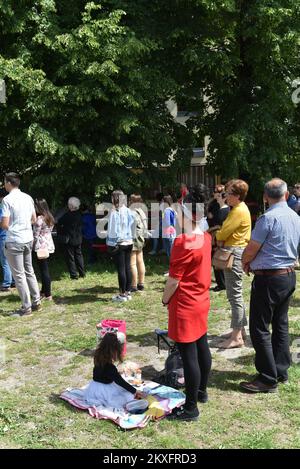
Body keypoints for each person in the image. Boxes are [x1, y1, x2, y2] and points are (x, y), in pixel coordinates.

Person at [240, 178, 300, 393]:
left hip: (269, 278)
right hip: (288, 275)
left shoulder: (268, 218)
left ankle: (267, 378)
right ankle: (280, 371)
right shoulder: (295, 216)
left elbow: (252, 248)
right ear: (285, 195)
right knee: (281, 324)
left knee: (260, 327)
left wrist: (245, 262)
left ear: (266, 197)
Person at [162, 185, 212, 422]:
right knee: (202, 346)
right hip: (201, 300)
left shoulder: (183, 242)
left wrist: (164, 298)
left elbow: (173, 280)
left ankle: (190, 407)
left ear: (187, 214)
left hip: (185, 303)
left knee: (189, 354)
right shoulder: (206, 237)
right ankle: (201, 392)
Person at [215, 180, 251, 349]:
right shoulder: (239, 208)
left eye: (228, 193)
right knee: (236, 294)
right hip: (236, 252)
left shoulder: (238, 211)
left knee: (234, 295)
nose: (225, 196)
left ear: (237, 196)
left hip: (234, 253)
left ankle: (237, 337)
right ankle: (240, 331)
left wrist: (218, 236)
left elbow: (222, 233)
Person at [0, 172, 41, 316]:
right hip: (28, 238)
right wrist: (23, 225)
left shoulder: (7, 200)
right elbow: (34, 219)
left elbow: (5, 224)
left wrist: (13, 226)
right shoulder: (28, 197)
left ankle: (26, 307)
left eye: (4, 182)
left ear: (9, 183)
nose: (4, 185)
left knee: (19, 275)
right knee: (29, 271)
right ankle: (37, 302)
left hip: (14, 240)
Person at [83, 333, 144, 408]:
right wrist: (134, 391)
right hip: (104, 390)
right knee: (125, 397)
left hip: (94, 386)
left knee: (123, 392)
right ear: (114, 350)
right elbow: (120, 381)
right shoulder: (110, 367)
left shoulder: (98, 355)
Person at [106, 190, 134, 302]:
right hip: (129, 242)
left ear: (114, 198)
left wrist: (111, 243)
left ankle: (122, 295)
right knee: (128, 267)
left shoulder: (113, 211)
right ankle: (128, 292)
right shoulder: (127, 210)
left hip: (119, 243)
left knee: (121, 269)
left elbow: (112, 230)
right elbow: (131, 224)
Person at [207, 185, 230, 292]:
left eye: (220, 194)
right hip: (213, 236)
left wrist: (212, 228)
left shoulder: (227, 210)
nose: (217, 195)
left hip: (220, 236)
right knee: (215, 259)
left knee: (219, 259)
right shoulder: (216, 207)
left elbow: (222, 225)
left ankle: (222, 283)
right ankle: (221, 282)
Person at [32, 199, 55, 301]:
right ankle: (43, 291)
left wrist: (31, 246)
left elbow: (35, 235)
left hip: (40, 247)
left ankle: (48, 294)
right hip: (48, 245)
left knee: (43, 271)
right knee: (44, 269)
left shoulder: (39, 219)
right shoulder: (49, 217)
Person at [57, 197, 85, 280]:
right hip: (78, 238)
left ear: (71, 205)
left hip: (69, 239)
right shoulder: (80, 214)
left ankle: (74, 275)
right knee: (79, 255)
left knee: (70, 257)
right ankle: (82, 273)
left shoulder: (67, 215)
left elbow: (59, 222)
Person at [129, 194, 147, 292]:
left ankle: (133, 285)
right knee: (140, 261)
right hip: (141, 238)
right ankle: (141, 283)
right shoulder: (141, 211)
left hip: (133, 239)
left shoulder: (131, 212)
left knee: (132, 263)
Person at [0, 188, 14, 292]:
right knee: (11, 260)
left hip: (3, 237)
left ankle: (6, 283)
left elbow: (2, 224)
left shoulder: (2, 208)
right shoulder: (11, 207)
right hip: (11, 236)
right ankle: (13, 281)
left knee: (5, 261)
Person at [162, 195, 176, 259]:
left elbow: (167, 223)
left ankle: (171, 259)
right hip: (173, 228)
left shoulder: (166, 210)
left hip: (168, 229)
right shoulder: (172, 209)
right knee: (171, 244)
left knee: (169, 245)